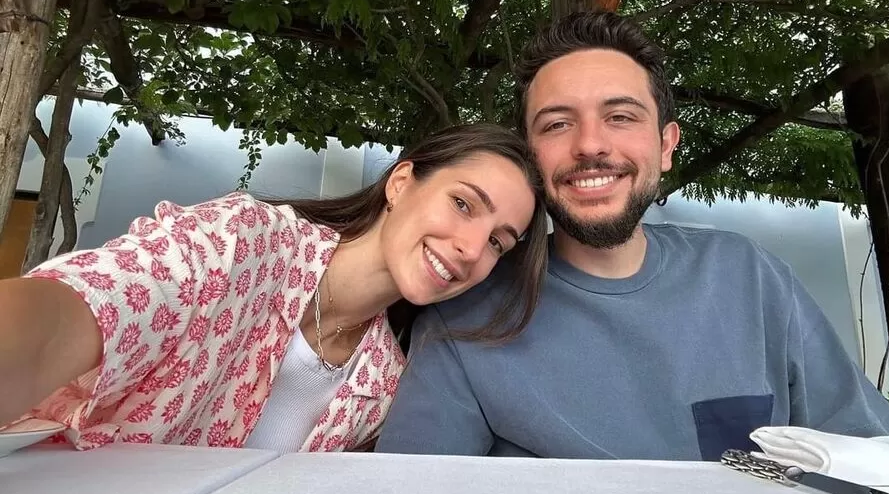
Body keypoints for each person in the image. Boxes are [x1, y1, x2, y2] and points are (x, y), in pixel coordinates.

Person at [376, 11, 889, 459]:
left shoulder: (748, 277)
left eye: (621, 117)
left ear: (666, 145)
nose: (590, 144)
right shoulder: (465, 319)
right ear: (529, 156)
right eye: (557, 124)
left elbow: (872, 453)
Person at [0, 123, 547, 453]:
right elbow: (75, 312)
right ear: (401, 184)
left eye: (498, 242)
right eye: (463, 203)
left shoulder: (382, 385)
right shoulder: (240, 243)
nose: (472, 248)